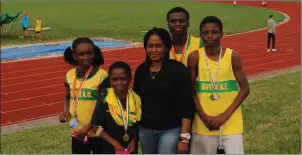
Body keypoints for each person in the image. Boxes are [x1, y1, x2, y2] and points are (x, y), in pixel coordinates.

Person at [187, 16, 250, 154]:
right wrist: (203, 116)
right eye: (205, 32)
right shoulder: (194, 57)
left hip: (231, 125)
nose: (209, 36)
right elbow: (190, 91)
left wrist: (224, 116)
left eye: (214, 32)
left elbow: (245, 89)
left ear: (222, 34)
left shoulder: (232, 56)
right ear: (200, 35)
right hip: (202, 125)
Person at [133, 27, 195, 154]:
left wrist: (184, 139)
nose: (153, 50)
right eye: (150, 46)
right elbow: (135, 102)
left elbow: (187, 105)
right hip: (145, 130)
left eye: (158, 46)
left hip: (170, 130)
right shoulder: (141, 71)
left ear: (166, 47)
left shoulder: (179, 70)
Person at [58, 37, 110, 154]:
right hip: (77, 130)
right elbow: (67, 96)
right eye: (81, 54)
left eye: (89, 53)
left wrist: (88, 127)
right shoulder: (69, 75)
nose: (86, 57)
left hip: (98, 131)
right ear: (75, 56)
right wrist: (65, 112)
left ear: (94, 53)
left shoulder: (102, 75)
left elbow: (103, 105)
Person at [91, 61, 141, 154]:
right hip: (110, 148)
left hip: (130, 147)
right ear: (110, 80)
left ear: (130, 79)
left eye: (123, 79)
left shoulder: (136, 99)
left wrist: (133, 140)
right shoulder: (104, 99)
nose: (119, 82)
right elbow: (95, 126)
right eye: (115, 79)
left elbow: (137, 124)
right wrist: (115, 144)